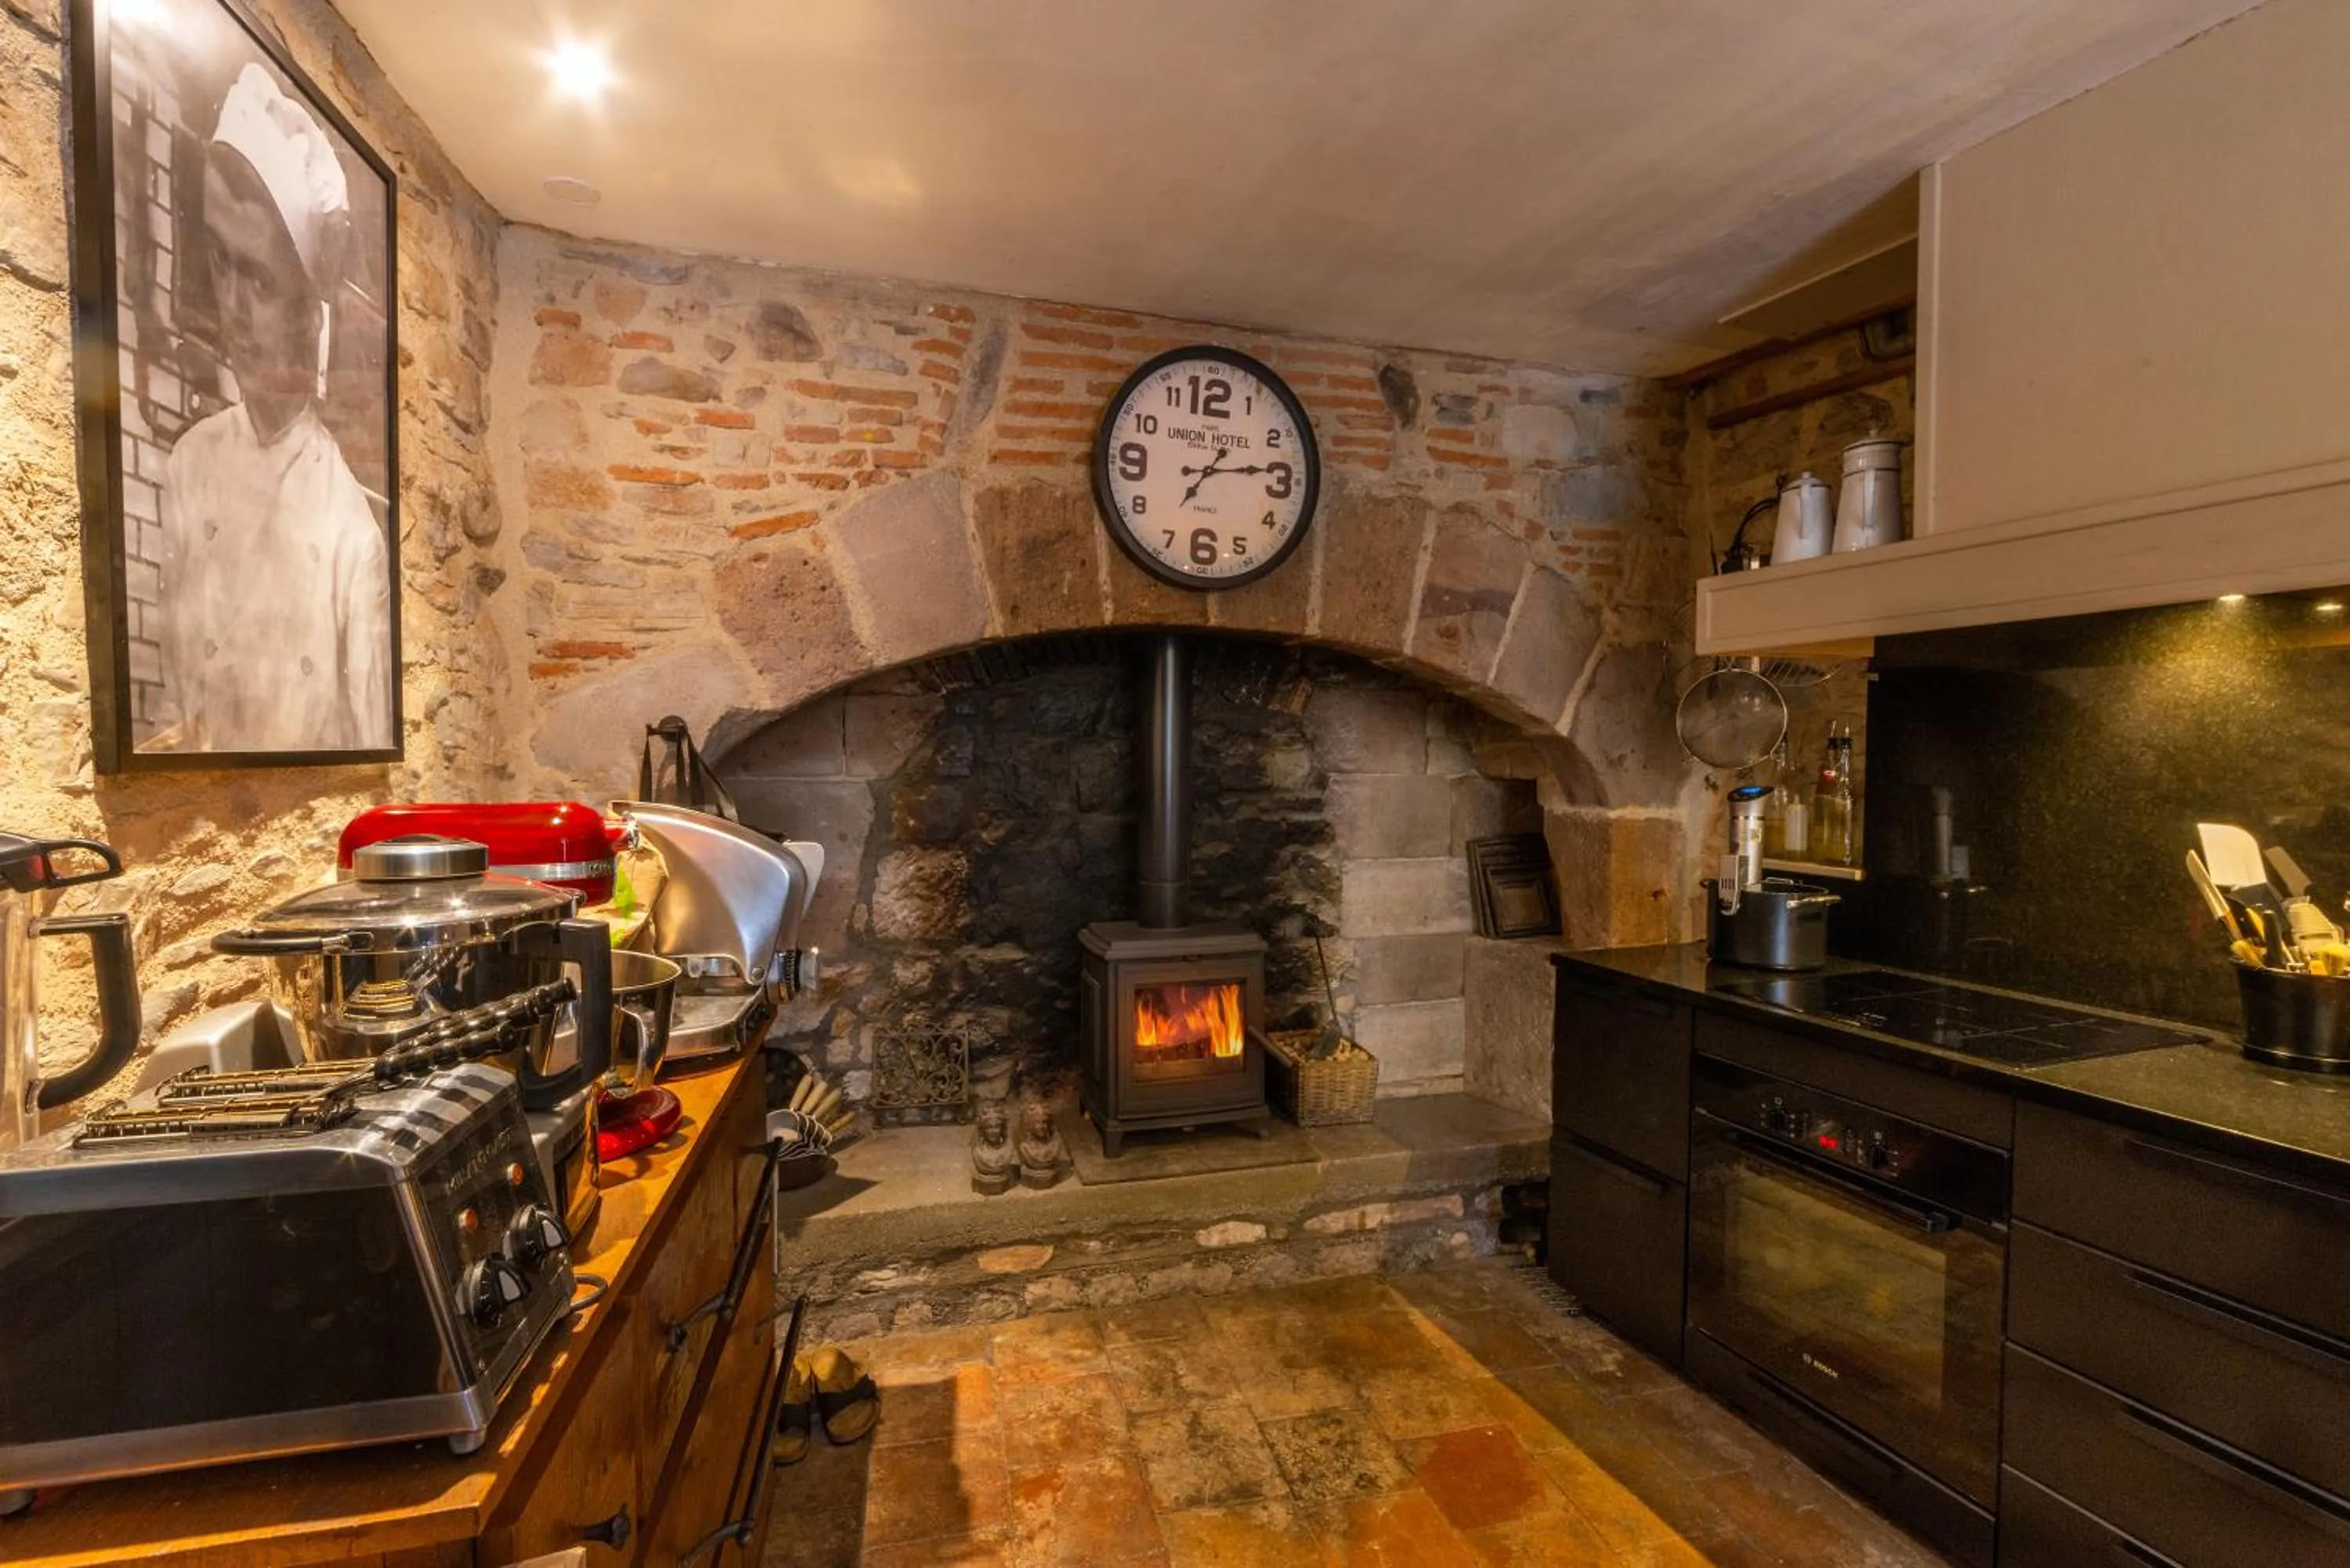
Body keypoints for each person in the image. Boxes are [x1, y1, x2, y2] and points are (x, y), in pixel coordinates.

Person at [153, 63, 391, 754]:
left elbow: (369, 739)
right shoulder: (191, 461)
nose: (234, 307)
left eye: (258, 278)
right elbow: (174, 698)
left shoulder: (349, 529)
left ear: (306, 309)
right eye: (221, 263)